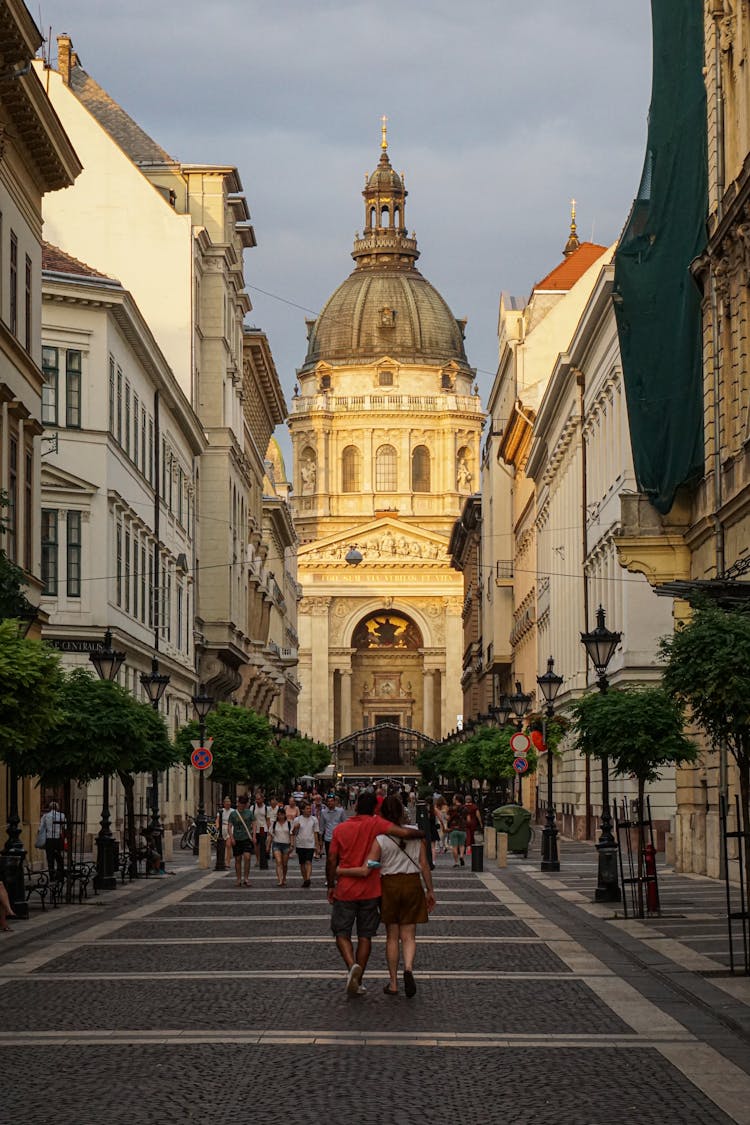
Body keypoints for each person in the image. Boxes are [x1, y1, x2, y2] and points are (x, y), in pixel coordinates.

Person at [326, 790, 423, 997]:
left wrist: (331, 884)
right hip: (371, 890)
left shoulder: (340, 829)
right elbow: (404, 834)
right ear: (374, 810)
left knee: (341, 932)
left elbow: (332, 859)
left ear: (356, 805)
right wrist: (424, 834)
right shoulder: (376, 824)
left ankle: (352, 966)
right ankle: (358, 979)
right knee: (365, 936)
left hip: (345, 889)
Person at [292, 802, 321, 887]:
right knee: (302, 863)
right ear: (303, 810)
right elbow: (293, 833)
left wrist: (317, 845)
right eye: (307, 809)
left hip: (310, 844)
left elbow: (316, 833)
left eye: (310, 809)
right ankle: (305, 879)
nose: (309, 810)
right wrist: (295, 828)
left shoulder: (314, 819)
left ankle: (308, 878)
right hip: (300, 844)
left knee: (309, 861)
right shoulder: (297, 819)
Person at [228, 795, 254, 886]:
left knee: (247, 857)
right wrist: (231, 837)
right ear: (238, 803)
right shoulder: (233, 814)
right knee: (238, 859)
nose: (242, 806)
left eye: (244, 804)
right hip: (237, 838)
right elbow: (230, 826)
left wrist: (254, 835)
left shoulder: (249, 813)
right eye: (241, 804)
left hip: (246, 838)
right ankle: (238, 879)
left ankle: (246, 878)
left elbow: (254, 823)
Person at [38, 800, 66, 883]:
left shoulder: (45, 816)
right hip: (58, 839)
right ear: (57, 808)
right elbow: (65, 827)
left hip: (49, 839)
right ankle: (60, 875)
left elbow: (40, 829)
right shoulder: (62, 815)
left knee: (50, 858)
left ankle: (52, 876)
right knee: (59, 858)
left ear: (49, 808)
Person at [319, 794, 346, 865]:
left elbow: (345, 824)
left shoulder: (341, 811)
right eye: (328, 801)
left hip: (338, 838)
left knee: (338, 858)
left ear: (334, 802)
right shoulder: (323, 812)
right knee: (330, 859)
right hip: (328, 839)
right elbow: (321, 827)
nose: (330, 803)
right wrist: (320, 841)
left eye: (331, 801)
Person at [268, 805, 292, 886]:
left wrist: (292, 845)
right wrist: (268, 846)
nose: (280, 816)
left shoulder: (289, 823)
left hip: (286, 845)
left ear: (284, 815)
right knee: (278, 862)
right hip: (276, 844)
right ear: (277, 815)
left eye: (282, 814)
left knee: (284, 864)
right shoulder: (274, 824)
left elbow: (291, 834)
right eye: (279, 814)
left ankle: (284, 877)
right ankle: (280, 879)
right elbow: (271, 835)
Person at [447, 794, 468, 867]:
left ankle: (456, 862)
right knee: (462, 845)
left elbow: (448, 818)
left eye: (453, 798)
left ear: (456, 800)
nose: (452, 799)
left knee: (454, 846)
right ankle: (461, 856)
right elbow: (467, 819)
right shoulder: (465, 808)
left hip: (453, 829)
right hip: (462, 829)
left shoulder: (451, 808)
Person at [215, 796, 234, 870]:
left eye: (229, 803)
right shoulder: (221, 811)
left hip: (230, 828)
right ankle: (222, 860)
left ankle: (227, 862)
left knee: (228, 845)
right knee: (222, 846)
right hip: (222, 828)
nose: (228, 804)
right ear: (224, 804)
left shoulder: (232, 811)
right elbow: (217, 820)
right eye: (226, 803)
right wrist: (217, 826)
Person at [252, 791, 270, 867]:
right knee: (256, 845)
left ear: (262, 799)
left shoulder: (266, 808)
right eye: (256, 799)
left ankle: (262, 860)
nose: (257, 801)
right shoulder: (253, 807)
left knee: (262, 844)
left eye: (259, 799)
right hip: (255, 828)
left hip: (263, 828)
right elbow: (251, 819)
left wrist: (269, 830)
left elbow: (268, 820)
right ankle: (257, 859)